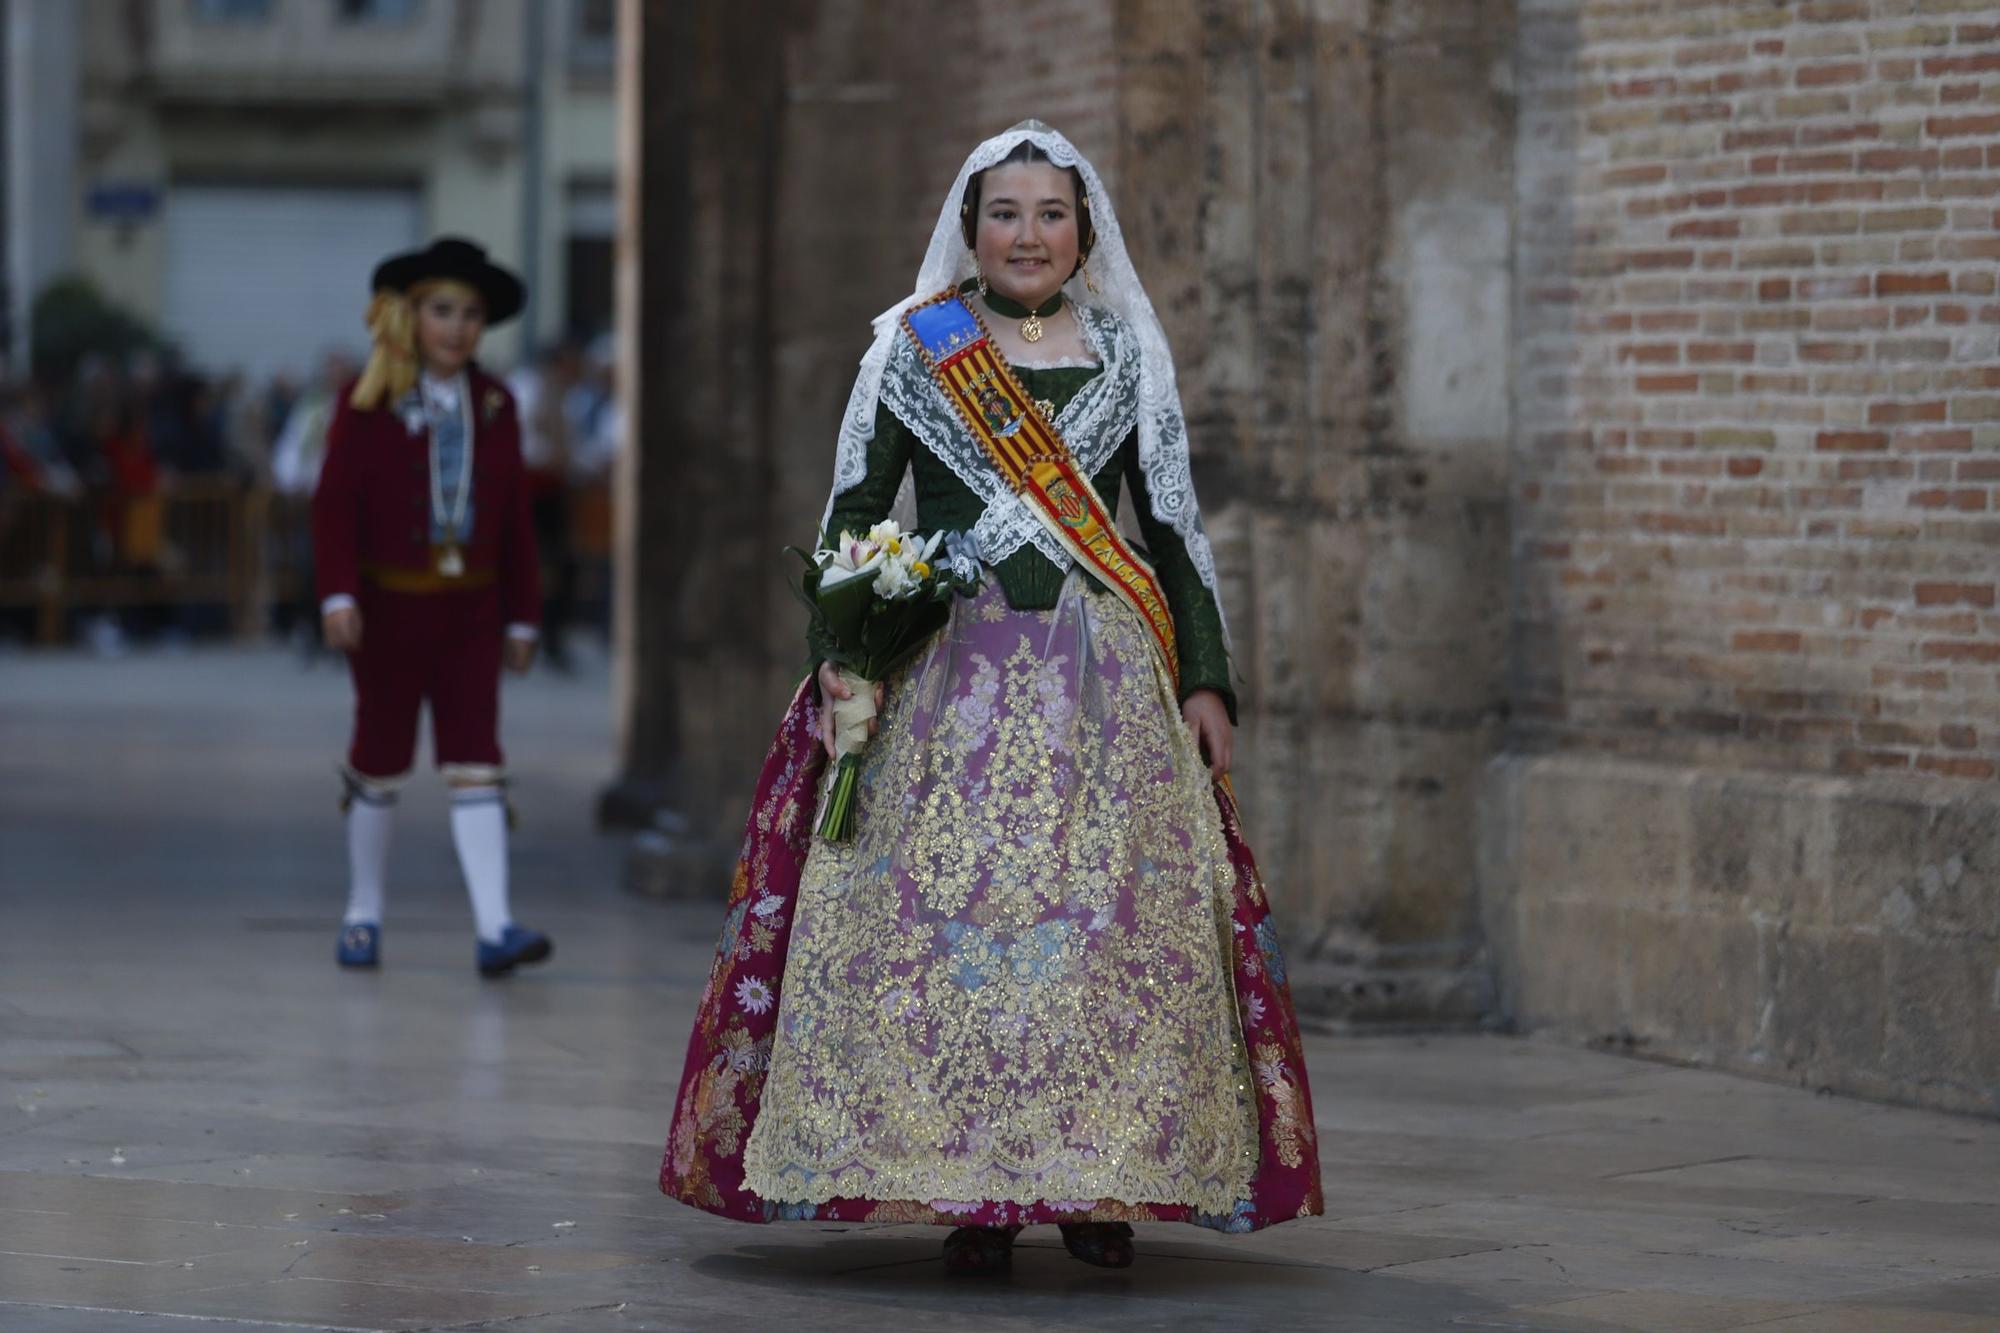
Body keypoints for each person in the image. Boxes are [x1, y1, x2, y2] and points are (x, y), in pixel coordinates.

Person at [659, 122, 1323, 1270]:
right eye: (1005, 213)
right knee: (948, 931)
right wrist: (843, 647)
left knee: (1105, 938)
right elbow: (853, 521)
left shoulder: (1125, 353)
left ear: (1083, 231)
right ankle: (974, 1191)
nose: (1028, 234)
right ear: (969, 230)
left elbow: (1168, 532)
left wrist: (1205, 677)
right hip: (946, 677)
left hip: (1101, 684)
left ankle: (1099, 1185)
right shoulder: (914, 350)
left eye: (1051, 214)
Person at [312, 237, 552, 978]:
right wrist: (338, 591)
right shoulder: (367, 398)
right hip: (387, 610)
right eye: (443, 310)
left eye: (472, 314)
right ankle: (363, 912)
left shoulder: (497, 402)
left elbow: (515, 516)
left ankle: (495, 926)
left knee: (478, 758)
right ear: (408, 315)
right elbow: (333, 507)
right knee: (378, 760)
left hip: (471, 613)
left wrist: (523, 614)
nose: (458, 327)